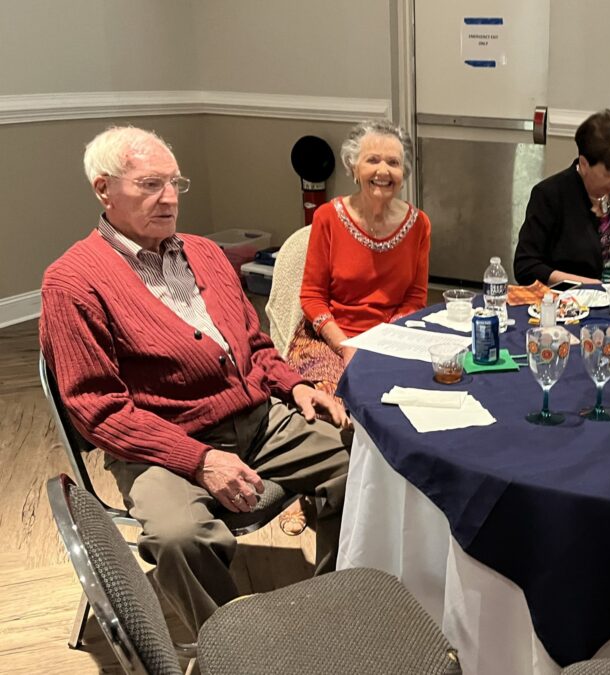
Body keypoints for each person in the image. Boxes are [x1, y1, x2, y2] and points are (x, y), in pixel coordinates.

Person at [39, 126, 351, 634]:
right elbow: (97, 409)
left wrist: (294, 385)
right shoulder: (72, 282)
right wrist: (200, 460)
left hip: (258, 421)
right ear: (103, 190)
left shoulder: (206, 253)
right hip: (162, 445)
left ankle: (337, 601)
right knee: (179, 537)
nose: (169, 198)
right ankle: (233, 646)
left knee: (362, 465)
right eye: (150, 184)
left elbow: (254, 345)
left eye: (175, 183)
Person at [293, 119, 430, 391]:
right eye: (373, 160)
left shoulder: (419, 224)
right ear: (354, 167)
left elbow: (415, 297)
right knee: (336, 399)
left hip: (391, 338)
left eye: (393, 162)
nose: (383, 171)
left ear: (403, 172)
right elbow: (312, 297)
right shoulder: (327, 218)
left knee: (424, 392)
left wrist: (385, 339)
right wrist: (345, 346)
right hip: (330, 340)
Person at [514, 109, 610, 286]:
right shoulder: (549, 195)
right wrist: (586, 284)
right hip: (569, 299)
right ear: (584, 163)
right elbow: (525, 265)